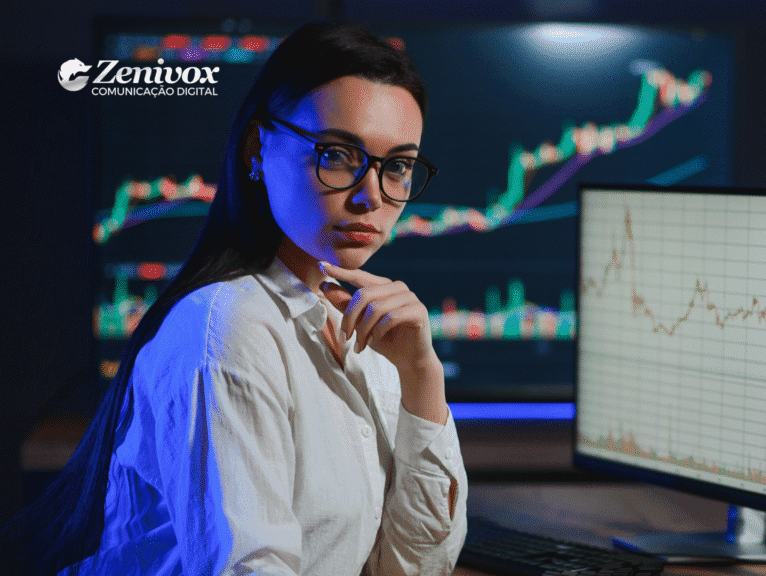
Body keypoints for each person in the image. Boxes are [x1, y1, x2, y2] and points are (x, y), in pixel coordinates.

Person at [3, 22, 467, 575]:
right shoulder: (228, 328)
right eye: (339, 154)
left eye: (398, 166)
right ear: (256, 149)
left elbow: (413, 567)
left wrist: (421, 375)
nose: (372, 195)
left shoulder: (374, 341)